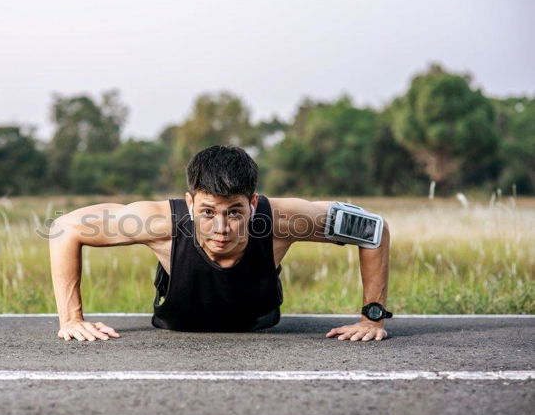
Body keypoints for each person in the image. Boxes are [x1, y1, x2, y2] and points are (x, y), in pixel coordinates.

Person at [49, 145, 390, 342]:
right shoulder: (159, 222)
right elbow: (65, 227)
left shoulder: (283, 219)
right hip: (179, 332)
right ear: (191, 202)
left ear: (253, 204)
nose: (221, 228)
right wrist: (71, 319)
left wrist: (371, 318)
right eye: (208, 212)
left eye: (235, 212)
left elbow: (373, 229)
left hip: (257, 326)